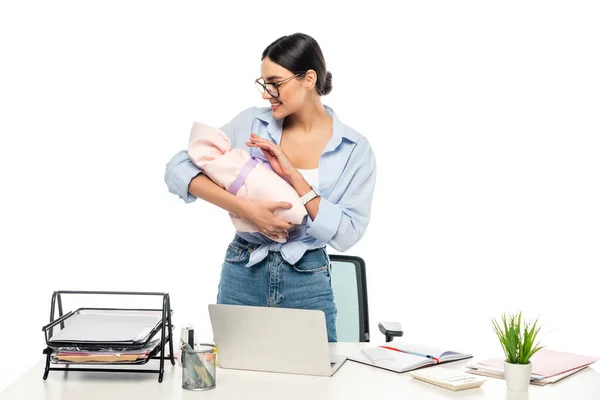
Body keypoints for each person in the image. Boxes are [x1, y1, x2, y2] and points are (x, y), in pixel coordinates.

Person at [164, 33, 376, 342]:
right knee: (235, 379)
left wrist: (295, 178)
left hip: (308, 279)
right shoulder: (251, 123)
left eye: (275, 82)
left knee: (312, 383)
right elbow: (178, 169)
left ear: (309, 79)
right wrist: (246, 209)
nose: (267, 94)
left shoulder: (354, 148)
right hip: (243, 268)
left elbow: (347, 233)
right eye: (263, 83)